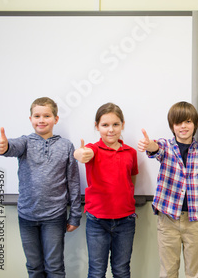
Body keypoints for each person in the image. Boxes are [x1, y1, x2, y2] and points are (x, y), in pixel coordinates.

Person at [0, 97, 81, 277]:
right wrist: (4, 146)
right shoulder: (24, 142)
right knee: (34, 268)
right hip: (27, 216)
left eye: (47, 116)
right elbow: (11, 147)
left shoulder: (66, 146)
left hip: (54, 217)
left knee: (54, 267)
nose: (41, 120)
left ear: (55, 119)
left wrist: (75, 216)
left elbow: (73, 182)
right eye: (37, 116)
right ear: (31, 119)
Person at [138, 101, 198, 278]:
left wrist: (193, 186)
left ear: (195, 124)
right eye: (178, 122)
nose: (183, 126)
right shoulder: (166, 146)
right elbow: (155, 148)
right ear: (172, 126)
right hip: (168, 220)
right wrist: (149, 145)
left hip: (194, 220)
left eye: (188, 121)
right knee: (168, 272)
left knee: (194, 273)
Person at [74, 102, 138, 278]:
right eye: (105, 125)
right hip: (97, 221)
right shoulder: (93, 149)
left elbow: (132, 179)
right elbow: (82, 153)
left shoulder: (130, 152)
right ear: (97, 127)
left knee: (122, 269)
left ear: (122, 125)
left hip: (125, 221)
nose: (111, 130)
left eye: (115, 124)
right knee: (96, 270)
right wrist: (80, 154)